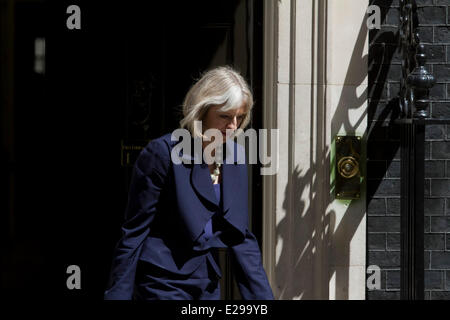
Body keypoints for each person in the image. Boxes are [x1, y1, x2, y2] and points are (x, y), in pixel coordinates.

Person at [104, 66, 274, 300]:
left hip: (207, 284)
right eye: (225, 116)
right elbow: (134, 232)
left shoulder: (236, 156)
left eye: (239, 117)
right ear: (201, 112)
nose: (233, 126)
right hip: (162, 282)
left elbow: (241, 237)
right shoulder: (162, 153)